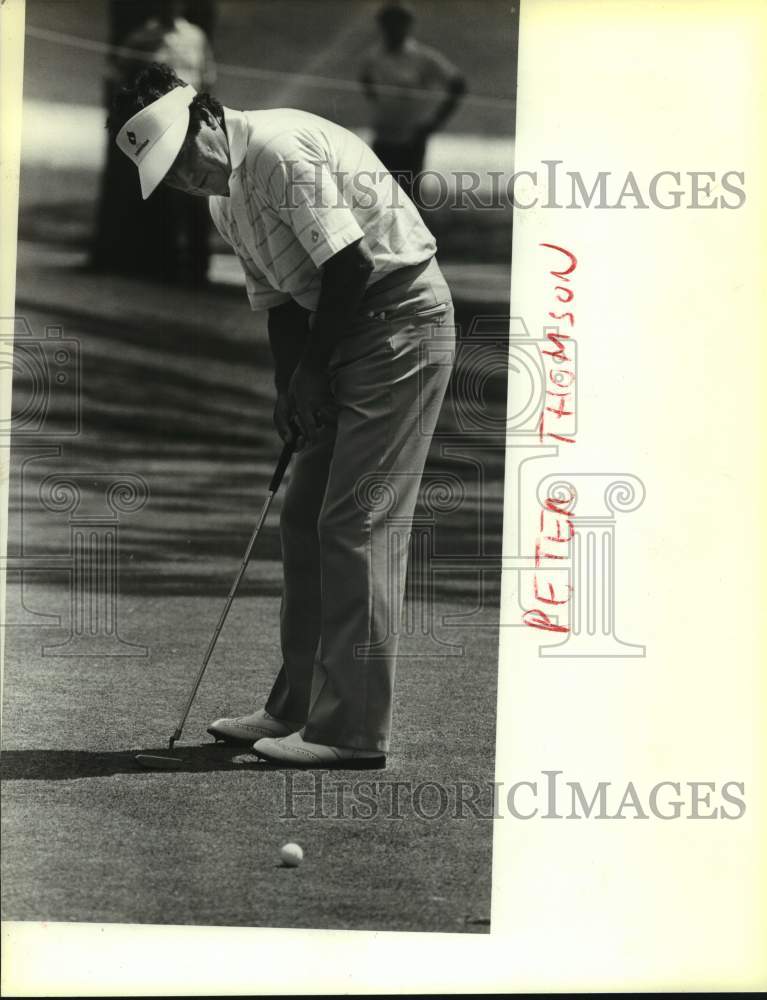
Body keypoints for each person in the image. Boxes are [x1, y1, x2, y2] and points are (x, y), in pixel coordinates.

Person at [109, 64, 456, 769]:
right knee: (305, 516)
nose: (183, 179)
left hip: (399, 324)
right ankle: (298, 705)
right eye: (167, 175)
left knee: (354, 521)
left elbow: (353, 265)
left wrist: (311, 373)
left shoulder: (275, 149)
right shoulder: (224, 200)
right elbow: (277, 305)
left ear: (206, 117)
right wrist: (287, 390)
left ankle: (351, 730)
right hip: (341, 332)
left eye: (182, 158)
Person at [93, 1, 216, 284]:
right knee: (167, 195)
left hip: (190, 122)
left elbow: (208, 76)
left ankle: (199, 266)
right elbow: (116, 73)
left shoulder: (195, 36)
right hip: (159, 126)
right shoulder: (143, 36)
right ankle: (169, 264)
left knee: (197, 193)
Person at [360, 1, 467, 203]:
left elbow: (458, 84)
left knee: (409, 198)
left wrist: (434, 122)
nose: (392, 29)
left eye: (398, 23)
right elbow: (366, 81)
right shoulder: (373, 57)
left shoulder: (422, 57)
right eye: (388, 24)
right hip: (383, 137)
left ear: (407, 25)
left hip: (411, 139)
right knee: (380, 197)